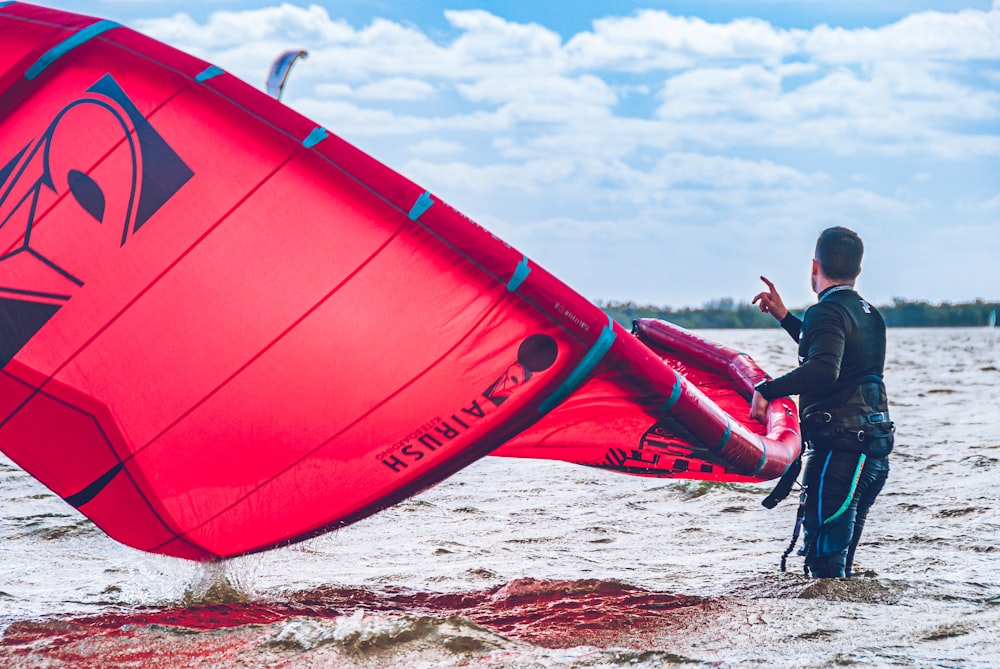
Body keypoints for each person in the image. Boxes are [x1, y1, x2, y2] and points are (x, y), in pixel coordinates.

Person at [750, 227, 894, 578]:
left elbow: (824, 368)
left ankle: (829, 628)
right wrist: (786, 318)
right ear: (857, 271)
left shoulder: (826, 312)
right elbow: (830, 348)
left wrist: (767, 390)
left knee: (823, 568)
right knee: (838, 566)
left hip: (841, 454)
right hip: (872, 453)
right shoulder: (869, 314)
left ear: (815, 267)